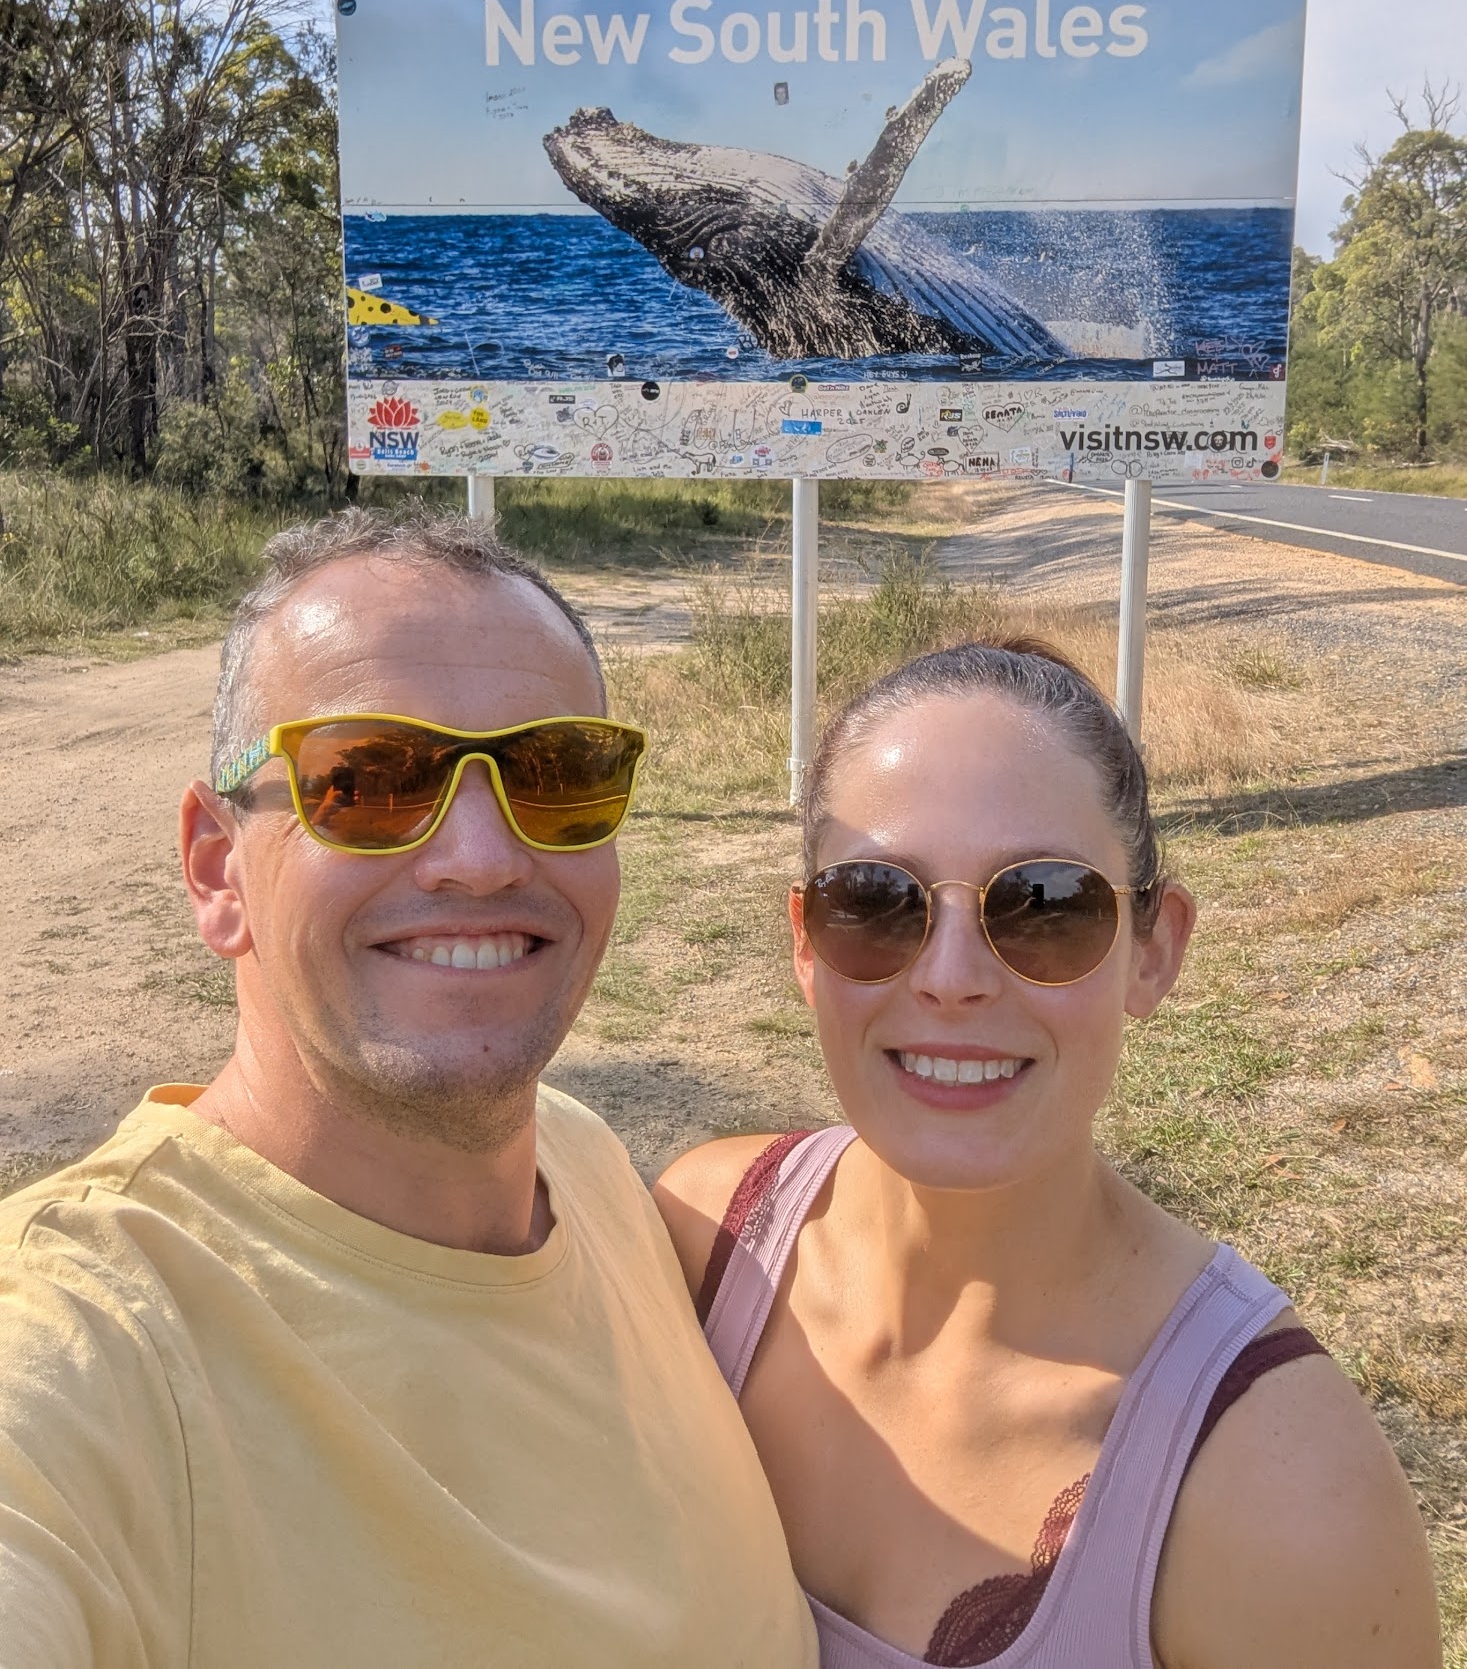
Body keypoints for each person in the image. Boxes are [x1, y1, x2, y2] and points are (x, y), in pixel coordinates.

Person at [0, 508, 816, 1669]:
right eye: (368, 779)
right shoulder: (92, 1350)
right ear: (215, 866)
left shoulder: (585, 1170)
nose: (481, 857)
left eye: (558, 774)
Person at [656, 640, 1442, 1669]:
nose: (950, 978)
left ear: (1153, 953)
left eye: (1043, 906)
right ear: (805, 944)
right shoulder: (700, 1245)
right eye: (877, 901)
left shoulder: (1285, 1492)